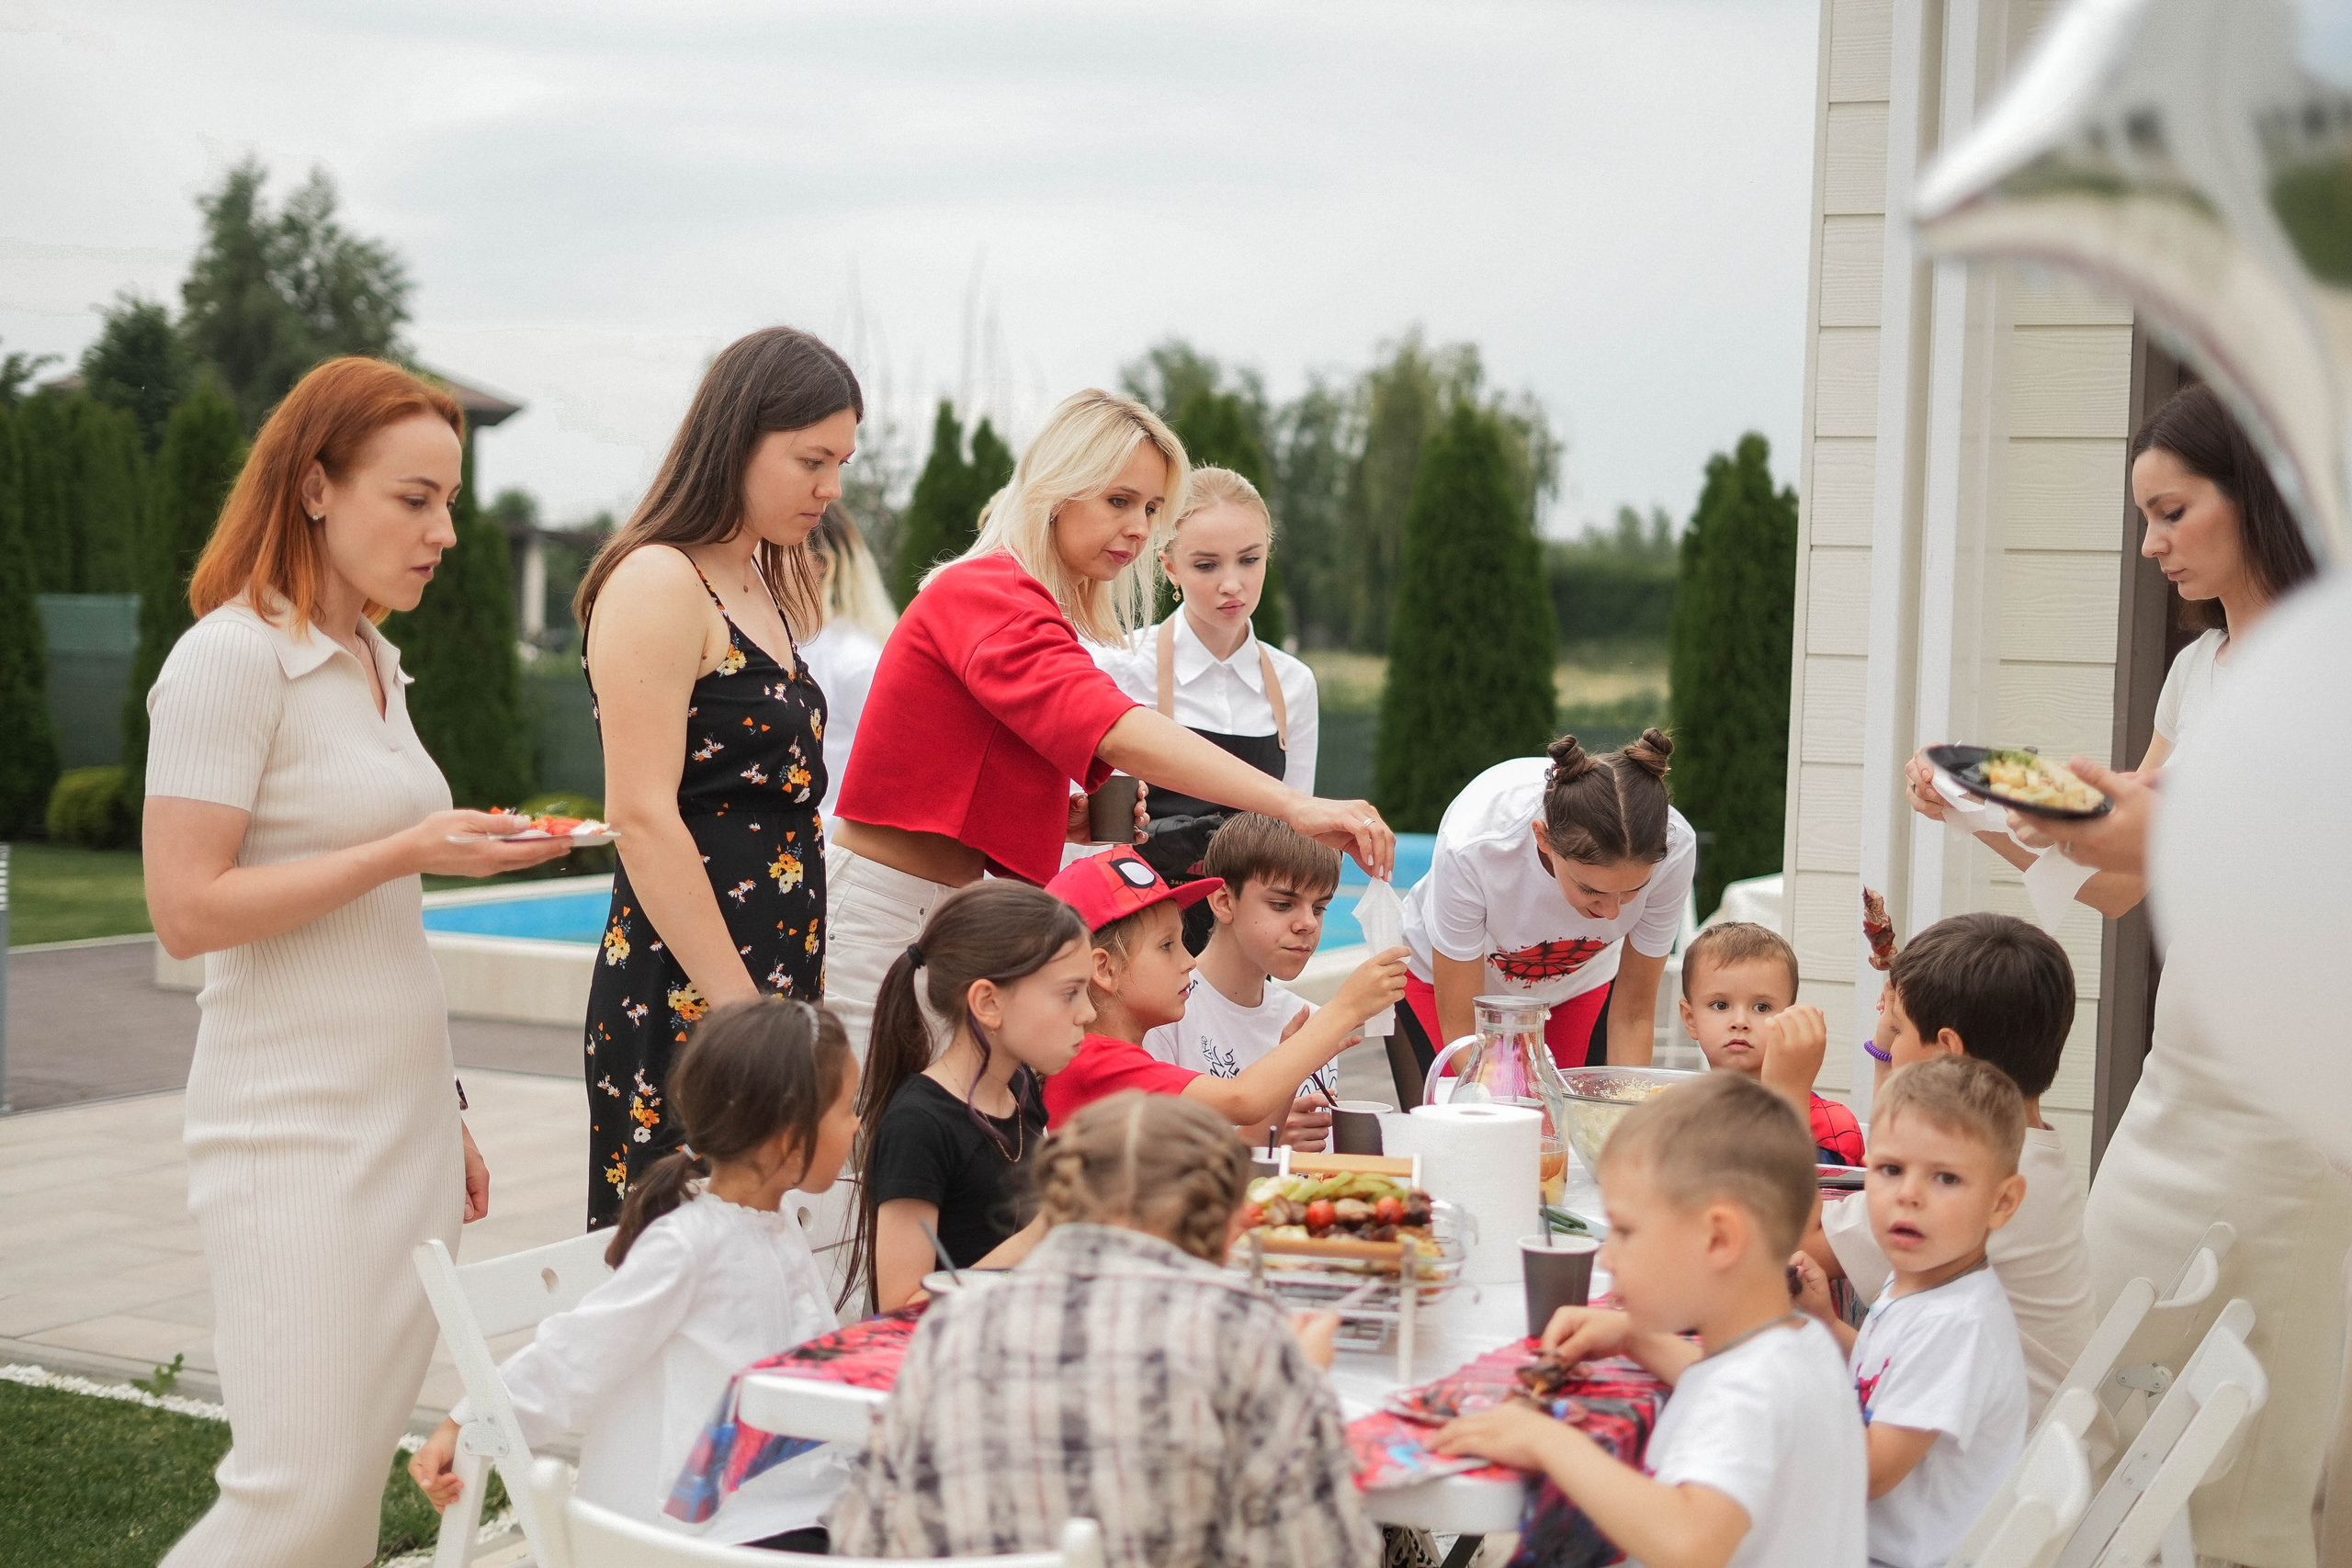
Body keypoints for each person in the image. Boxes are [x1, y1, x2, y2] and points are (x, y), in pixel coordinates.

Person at [142, 357, 576, 1568]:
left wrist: (447, 1109)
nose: (443, 532)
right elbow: (185, 907)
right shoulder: (231, 658)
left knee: (338, 1507)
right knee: (292, 1495)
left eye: (450, 502)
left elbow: (375, 927)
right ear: (317, 485)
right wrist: (407, 846)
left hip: (404, 1135)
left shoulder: (378, 660)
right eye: (414, 498)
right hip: (289, 1135)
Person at [1915, 385, 2344, 1567]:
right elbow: (2116, 880)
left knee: (2239, 1468)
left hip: (2285, 1100)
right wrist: (1987, 817)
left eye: (2170, 512)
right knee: (2101, 1406)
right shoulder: (2196, 672)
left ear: (2254, 497)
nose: (2150, 544)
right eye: (2144, 518)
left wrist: (2080, 805)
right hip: (2179, 1080)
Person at [823, 389, 1394, 1060]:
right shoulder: (986, 591)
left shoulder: (1021, 602)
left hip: (941, 909)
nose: (1140, 527)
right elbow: (1115, 726)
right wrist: (1295, 805)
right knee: (864, 1147)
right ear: (1056, 492)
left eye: (1152, 509)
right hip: (886, 907)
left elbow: (961, 775)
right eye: (1118, 501)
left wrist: (1056, 818)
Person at [829, 1092, 1376, 1568]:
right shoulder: (1240, 1334)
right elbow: (1327, 1552)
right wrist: (1304, 1382)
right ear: (1229, 1226)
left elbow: (864, 1541)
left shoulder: (949, 1331)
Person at [571, 327, 859, 1228]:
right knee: (676, 1277)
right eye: (811, 459)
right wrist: (746, 1025)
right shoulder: (661, 580)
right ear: (736, 441)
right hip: (691, 992)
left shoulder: (761, 582)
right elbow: (643, 816)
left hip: (763, 989)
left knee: (750, 1267)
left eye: (842, 461)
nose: (832, 488)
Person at [408, 1000, 859, 1551]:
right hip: (711, 1524)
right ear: (790, 1139)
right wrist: (465, 1423)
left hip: (787, 1491)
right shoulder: (688, 1245)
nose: (858, 1123)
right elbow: (579, 1350)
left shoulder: (774, 1219)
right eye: (848, 1109)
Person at [1432, 1073, 1867, 1568]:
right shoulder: (1796, 1346)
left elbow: (1691, 1543)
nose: (1608, 1256)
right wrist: (1634, 1338)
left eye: (1625, 1230)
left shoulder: (1748, 1390)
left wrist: (1546, 1440)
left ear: (1719, 1239)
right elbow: (1714, 1379)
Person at [1802, 913, 2092, 1422]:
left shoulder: (1958, 1194)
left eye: (1900, 1032)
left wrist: (1785, 1093)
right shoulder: (2027, 1157)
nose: (1891, 1046)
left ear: (1949, 1053)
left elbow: (1791, 1245)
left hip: (1987, 1471)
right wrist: (1883, 1046)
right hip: (2019, 1440)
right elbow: (1899, 1140)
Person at [1794, 1058, 2030, 1568]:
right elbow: (1894, 1374)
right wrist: (1830, 1327)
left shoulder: (1958, 1325)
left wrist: (1782, 1414)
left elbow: (1869, 1472)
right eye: (1891, 1169)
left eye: (1945, 1177)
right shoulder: (1927, 1282)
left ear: (2002, 1202)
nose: (1908, 1195)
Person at [1094, 468, 1319, 943]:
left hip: (1246, 949)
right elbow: (1099, 839)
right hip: (1137, 937)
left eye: (1249, 560)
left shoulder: (1294, 684)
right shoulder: (1120, 668)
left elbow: (1295, 841)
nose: (1232, 584)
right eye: (1206, 565)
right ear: (1169, 566)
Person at [1036, 846, 1409, 1134]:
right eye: (1167, 946)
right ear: (1104, 968)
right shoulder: (1097, 1063)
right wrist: (1346, 1008)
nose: (1189, 961)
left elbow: (1237, 1146)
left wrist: (1295, 1065)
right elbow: (1242, 1100)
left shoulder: (1110, 1058)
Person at [1397, 729, 1693, 1089]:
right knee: (1472, 1122)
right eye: (1591, 889)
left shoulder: (1675, 846)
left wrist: (1626, 1114)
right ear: (1543, 838)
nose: (1612, 913)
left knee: (1574, 1125)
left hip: (1576, 987)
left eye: (1633, 890)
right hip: (1440, 983)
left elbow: (1633, 1014)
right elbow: (1463, 1025)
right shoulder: (1476, 845)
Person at [852, 882, 1093, 1313]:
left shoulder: (1019, 1087)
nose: (1088, 1012)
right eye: (1069, 993)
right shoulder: (918, 1125)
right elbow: (900, 1308)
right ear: (988, 1002)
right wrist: (1043, 1233)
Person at [1142, 813, 1347, 1151]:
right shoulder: (1165, 1014)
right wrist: (1264, 1137)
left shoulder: (1309, 1019)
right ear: (1223, 901)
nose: (1307, 923)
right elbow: (1152, 1169)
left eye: (1320, 907)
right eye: (1283, 905)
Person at [1679, 921, 1862, 1167]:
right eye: (1720, 1005)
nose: (1740, 1022)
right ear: (1691, 1020)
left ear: (1789, 1016)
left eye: (1761, 1007)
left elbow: (1792, 1197)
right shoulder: (1676, 1117)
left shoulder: (1830, 1125)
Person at [797, 503, 896, 818]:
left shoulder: (855, 661)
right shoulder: (792, 648)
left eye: (780, 550)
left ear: (820, 564)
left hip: (832, 856)